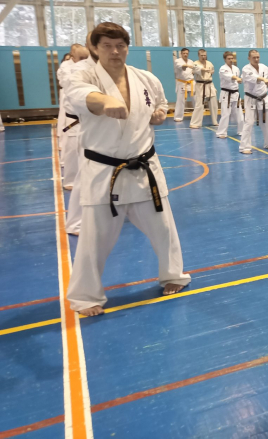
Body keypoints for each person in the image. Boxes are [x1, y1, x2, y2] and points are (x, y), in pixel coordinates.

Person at [64, 22, 190, 316]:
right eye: (107, 46)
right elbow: (81, 96)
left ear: (127, 48)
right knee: (94, 239)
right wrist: (105, 100)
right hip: (105, 172)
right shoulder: (83, 75)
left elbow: (160, 103)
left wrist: (160, 113)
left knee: (164, 229)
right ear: (95, 48)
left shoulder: (144, 77)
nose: (114, 51)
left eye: (120, 46)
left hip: (145, 167)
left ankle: (173, 275)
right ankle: (85, 296)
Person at [63, 36, 98, 236]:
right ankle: (76, 222)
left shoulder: (106, 68)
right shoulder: (77, 70)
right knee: (85, 172)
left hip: (102, 126)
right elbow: (77, 99)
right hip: (82, 123)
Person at [239, 50, 268, 154]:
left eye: (258, 57)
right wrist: (264, 80)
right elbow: (254, 78)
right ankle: (244, 147)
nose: (256, 59)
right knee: (249, 122)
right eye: (254, 57)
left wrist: (267, 83)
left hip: (263, 97)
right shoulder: (246, 69)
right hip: (251, 98)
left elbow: (267, 80)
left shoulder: (264, 67)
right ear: (249, 58)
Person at [216, 51, 242, 139]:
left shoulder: (236, 69)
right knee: (225, 114)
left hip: (236, 93)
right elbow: (231, 77)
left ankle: (242, 131)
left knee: (239, 114)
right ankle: (221, 133)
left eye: (232, 58)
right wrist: (237, 78)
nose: (231, 60)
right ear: (225, 59)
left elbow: (237, 79)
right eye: (229, 59)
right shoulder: (223, 69)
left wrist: (239, 80)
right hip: (226, 94)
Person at [189, 49, 217, 129]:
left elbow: (212, 71)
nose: (203, 57)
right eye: (202, 55)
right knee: (199, 104)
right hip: (200, 85)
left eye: (204, 55)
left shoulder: (209, 63)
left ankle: (215, 121)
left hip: (210, 84)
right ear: (198, 55)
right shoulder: (195, 63)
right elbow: (197, 69)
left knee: (213, 103)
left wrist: (211, 71)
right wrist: (205, 69)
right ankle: (194, 123)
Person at [173, 48, 194, 122]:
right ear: (181, 54)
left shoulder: (191, 61)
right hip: (182, 83)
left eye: (187, 53)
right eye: (184, 53)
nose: (185, 55)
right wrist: (188, 66)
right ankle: (178, 117)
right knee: (180, 100)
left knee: (195, 99)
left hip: (191, 82)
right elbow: (182, 67)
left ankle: (197, 115)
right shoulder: (177, 61)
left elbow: (193, 70)